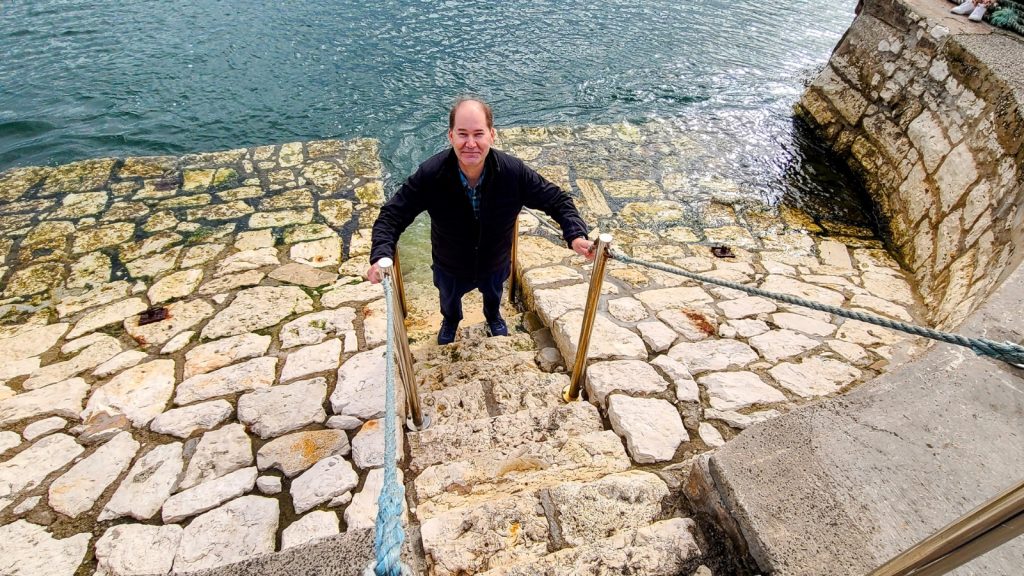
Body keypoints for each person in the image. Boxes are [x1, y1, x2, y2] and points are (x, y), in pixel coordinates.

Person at [367, 97, 595, 345]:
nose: (471, 144)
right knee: (449, 301)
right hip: (450, 265)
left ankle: (493, 316)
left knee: (493, 296)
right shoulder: (431, 175)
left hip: (493, 263)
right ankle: (451, 321)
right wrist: (381, 255)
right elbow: (392, 215)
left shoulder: (513, 173)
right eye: (463, 134)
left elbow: (557, 200)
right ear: (451, 136)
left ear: (492, 135)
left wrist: (575, 234)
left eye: (478, 134)